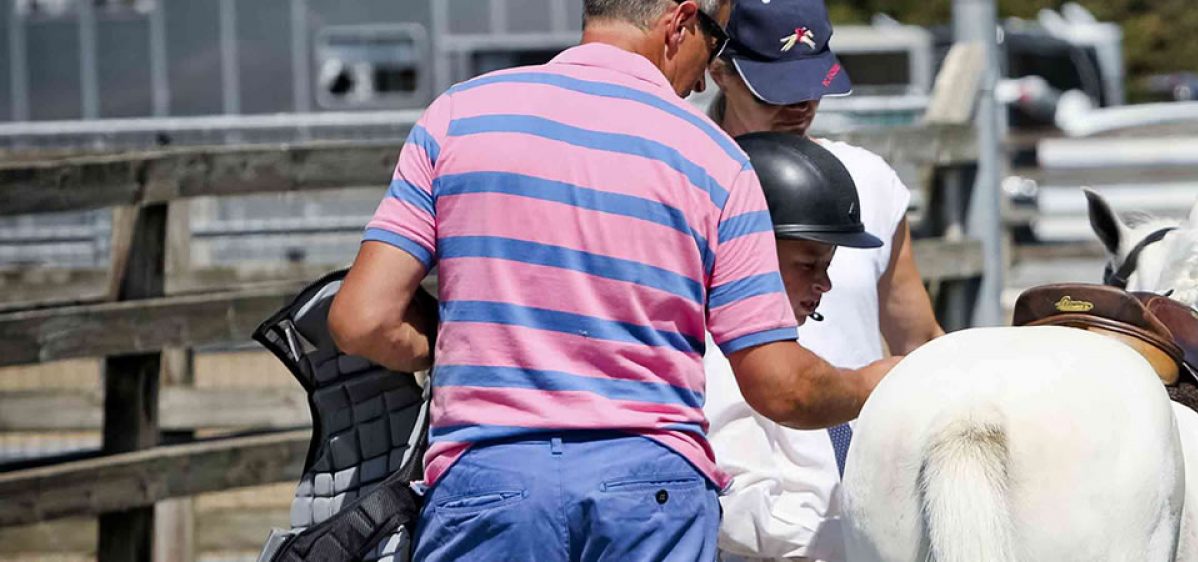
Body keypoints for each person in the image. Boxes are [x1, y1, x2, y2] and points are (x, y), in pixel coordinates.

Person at [325, 1, 899, 560]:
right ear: (678, 23)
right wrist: (878, 383)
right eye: (715, 43)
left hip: (488, 485)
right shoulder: (714, 159)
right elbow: (783, 388)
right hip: (649, 495)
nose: (703, 83)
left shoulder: (457, 117)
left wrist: (461, 345)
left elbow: (362, 320)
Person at [696, 1, 944, 560]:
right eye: (775, 87)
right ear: (718, 67)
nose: (801, 104)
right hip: (733, 503)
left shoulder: (869, 183)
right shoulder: (687, 181)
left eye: (812, 82)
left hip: (860, 495)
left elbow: (919, 340)